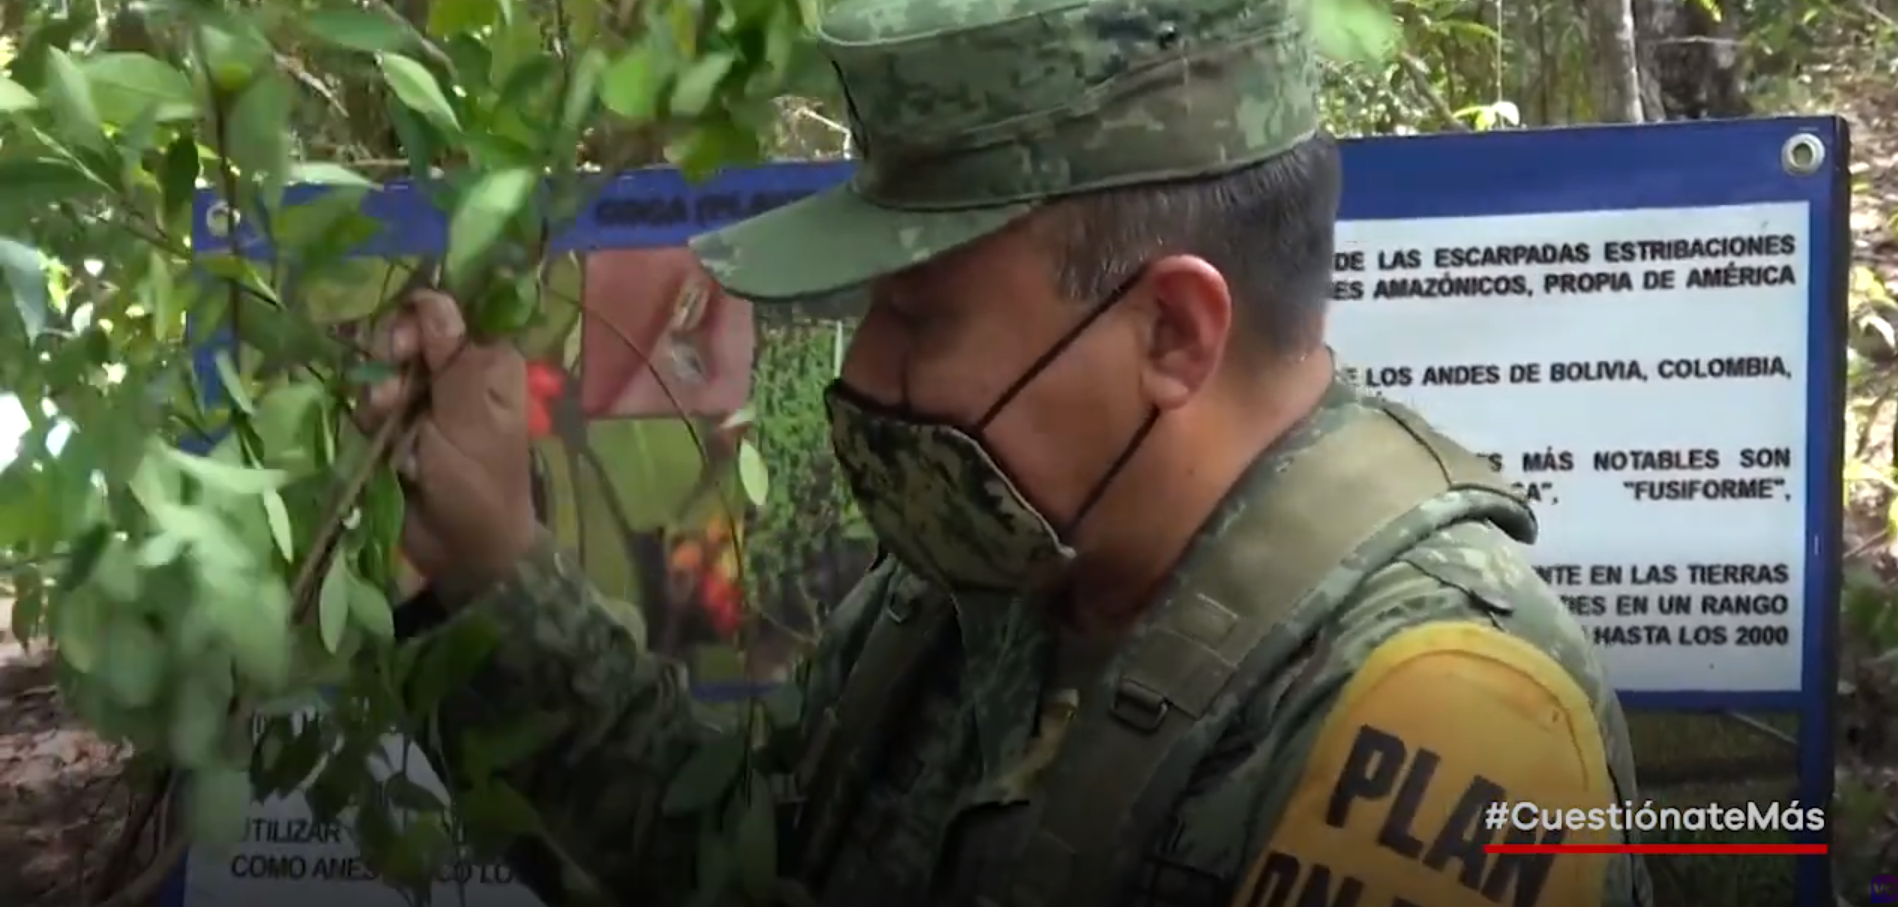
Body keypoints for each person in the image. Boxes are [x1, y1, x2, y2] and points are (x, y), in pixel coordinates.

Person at [358, 0, 1656, 903]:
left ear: (1170, 332)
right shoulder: (989, 582)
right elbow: (739, 858)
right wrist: (492, 565)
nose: (864, 372)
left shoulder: (1438, 722)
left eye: (920, 313)